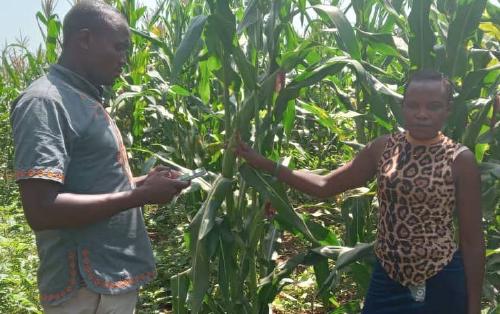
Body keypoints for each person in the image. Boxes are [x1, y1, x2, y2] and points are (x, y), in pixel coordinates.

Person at [235, 70, 484, 314]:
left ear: (448, 110)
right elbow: (325, 186)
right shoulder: (384, 147)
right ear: (403, 107)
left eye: (433, 106)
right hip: (388, 276)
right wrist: (265, 164)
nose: (421, 114)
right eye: (413, 105)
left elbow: (472, 242)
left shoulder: (460, 160)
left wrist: (473, 308)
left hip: (440, 278)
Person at [10, 1, 189, 313]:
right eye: (118, 48)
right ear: (85, 39)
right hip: (85, 290)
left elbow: (87, 185)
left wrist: (143, 183)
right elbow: (41, 209)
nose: (124, 60)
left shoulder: (82, 98)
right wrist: (140, 197)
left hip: (107, 282)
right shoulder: (46, 102)